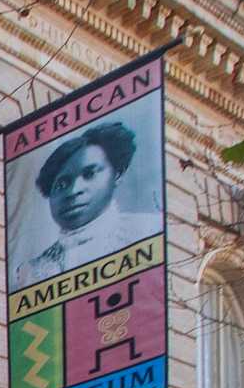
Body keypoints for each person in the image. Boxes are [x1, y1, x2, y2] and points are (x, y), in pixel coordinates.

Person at [11, 120, 164, 288]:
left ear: (117, 175)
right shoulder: (33, 271)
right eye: (61, 184)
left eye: (90, 173)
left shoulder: (150, 230)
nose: (74, 191)